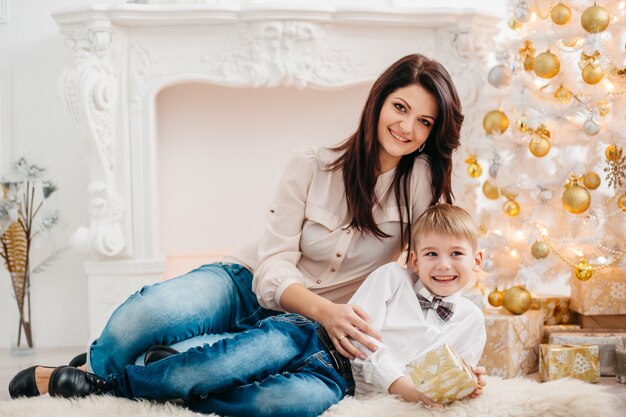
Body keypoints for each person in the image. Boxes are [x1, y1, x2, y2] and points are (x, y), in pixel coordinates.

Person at [9, 53, 465, 415]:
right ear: (378, 102)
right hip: (245, 284)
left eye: (424, 121)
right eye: (400, 108)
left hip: (304, 328)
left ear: (431, 133)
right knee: (145, 317)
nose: (407, 127)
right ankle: (91, 374)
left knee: (195, 362)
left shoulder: (424, 187)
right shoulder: (310, 163)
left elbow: (431, 263)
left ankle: (109, 380)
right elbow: (272, 264)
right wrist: (325, 310)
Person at [34, 203, 487, 417]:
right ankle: (104, 385)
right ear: (412, 259)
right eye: (430, 255)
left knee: (281, 402)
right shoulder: (391, 280)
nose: (443, 266)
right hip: (313, 335)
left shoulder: (471, 322)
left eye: (456, 256)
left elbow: (454, 371)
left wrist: (468, 382)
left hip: (336, 382)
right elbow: (361, 343)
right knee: (233, 359)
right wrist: (407, 385)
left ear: (478, 261)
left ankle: (179, 387)